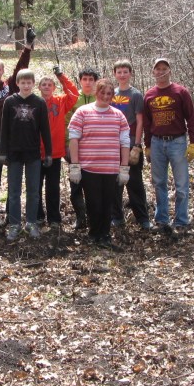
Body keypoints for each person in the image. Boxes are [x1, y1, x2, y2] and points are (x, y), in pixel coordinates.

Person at [0, 27, 35, 230]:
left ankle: (13, 217)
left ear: (2, 71)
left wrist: (27, 46)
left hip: (14, 141)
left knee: (14, 183)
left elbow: (22, 66)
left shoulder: (9, 85)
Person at [67, 78, 131, 250]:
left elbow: (125, 142)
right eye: (102, 92)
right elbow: (73, 139)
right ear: (97, 92)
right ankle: (94, 234)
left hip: (110, 168)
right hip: (89, 168)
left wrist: (124, 168)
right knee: (94, 202)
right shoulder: (82, 112)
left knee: (108, 202)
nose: (105, 96)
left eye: (109, 93)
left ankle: (105, 234)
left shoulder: (118, 116)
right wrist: (75, 166)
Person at [143, 58, 194, 234]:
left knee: (181, 184)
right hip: (157, 142)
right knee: (159, 183)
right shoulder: (149, 95)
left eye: (164, 68)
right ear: (153, 72)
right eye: (157, 69)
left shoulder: (180, 92)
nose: (161, 72)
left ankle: (181, 221)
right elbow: (146, 122)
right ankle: (162, 220)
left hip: (177, 142)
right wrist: (148, 145)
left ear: (170, 71)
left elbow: (191, 118)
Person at [0, 69, 52, 241]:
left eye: (29, 82)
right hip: (14, 153)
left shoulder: (39, 102)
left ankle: (31, 222)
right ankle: (14, 224)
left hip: (33, 153)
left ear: (33, 84)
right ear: (17, 83)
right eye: (23, 82)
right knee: (14, 191)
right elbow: (4, 129)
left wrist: (49, 153)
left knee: (33, 191)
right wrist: (2, 152)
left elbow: (45, 129)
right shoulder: (9, 101)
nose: (26, 85)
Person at [110, 60, 152, 230]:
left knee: (134, 182)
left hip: (131, 142)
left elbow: (140, 120)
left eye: (125, 71)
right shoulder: (111, 93)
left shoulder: (135, 95)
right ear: (114, 74)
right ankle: (117, 217)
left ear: (130, 73)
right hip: (114, 144)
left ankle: (142, 218)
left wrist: (137, 144)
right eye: (119, 72)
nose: (122, 75)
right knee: (115, 183)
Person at [36, 68, 79, 228]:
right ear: (39, 87)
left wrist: (61, 77)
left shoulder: (60, 102)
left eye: (49, 85)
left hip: (55, 152)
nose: (47, 87)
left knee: (53, 187)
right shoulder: (34, 102)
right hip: (37, 153)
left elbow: (74, 95)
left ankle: (54, 218)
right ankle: (38, 216)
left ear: (54, 88)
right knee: (36, 187)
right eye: (44, 84)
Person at [63, 68, 98, 231]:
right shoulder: (72, 98)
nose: (88, 82)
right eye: (85, 79)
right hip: (74, 147)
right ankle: (80, 217)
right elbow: (65, 123)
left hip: (94, 149)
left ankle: (94, 218)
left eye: (91, 79)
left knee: (93, 186)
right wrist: (66, 145)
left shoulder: (101, 97)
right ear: (80, 80)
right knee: (75, 184)